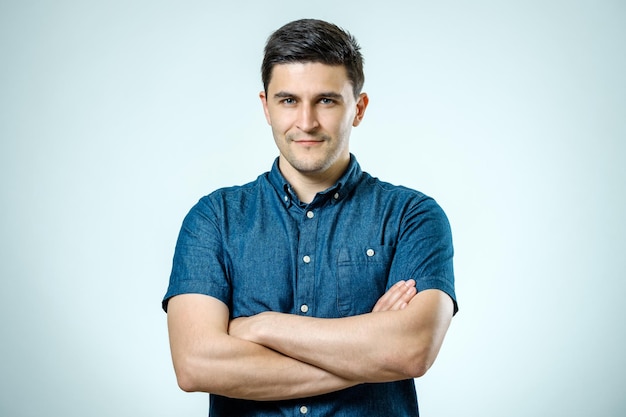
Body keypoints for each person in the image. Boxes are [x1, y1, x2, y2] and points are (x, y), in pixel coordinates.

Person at [162, 18, 458, 416]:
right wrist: (368, 356)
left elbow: (412, 350)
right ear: (266, 107)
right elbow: (196, 365)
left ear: (359, 108)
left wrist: (262, 326)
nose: (306, 122)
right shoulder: (214, 219)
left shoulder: (412, 216)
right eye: (288, 100)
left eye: (326, 100)